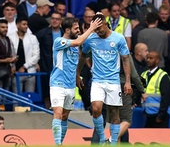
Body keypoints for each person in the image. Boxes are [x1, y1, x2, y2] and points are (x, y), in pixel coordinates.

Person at [76, 13, 132, 145]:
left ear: (106, 24)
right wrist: (77, 73)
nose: (98, 32)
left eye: (100, 29)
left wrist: (128, 81)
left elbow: (125, 59)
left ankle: (112, 143)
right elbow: (83, 56)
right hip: (97, 80)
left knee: (114, 113)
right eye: (96, 30)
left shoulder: (118, 38)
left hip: (113, 81)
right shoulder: (91, 39)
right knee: (96, 108)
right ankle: (101, 139)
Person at [50, 17, 102, 146]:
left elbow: (74, 63)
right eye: (76, 28)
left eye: (79, 28)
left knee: (65, 116)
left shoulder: (74, 47)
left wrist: (77, 76)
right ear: (67, 30)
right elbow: (78, 41)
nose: (78, 30)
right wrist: (91, 28)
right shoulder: (59, 41)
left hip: (70, 85)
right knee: (58, 112)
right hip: (58, 84)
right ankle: (57, 144)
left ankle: (61, 141)